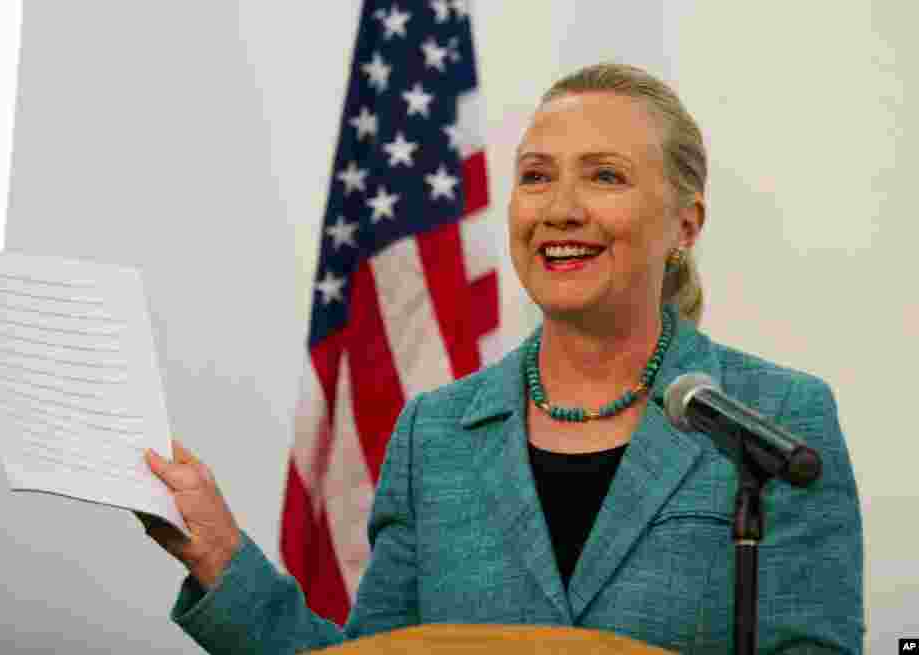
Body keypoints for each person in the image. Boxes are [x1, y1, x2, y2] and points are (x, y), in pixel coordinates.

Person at [137, 63, 863, 654]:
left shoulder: (777, 421)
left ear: (685, 223)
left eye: (604, 176)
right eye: (538, 175)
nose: (560, 208)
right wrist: (221, 558)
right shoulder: (434, 435)